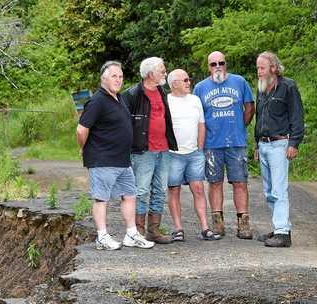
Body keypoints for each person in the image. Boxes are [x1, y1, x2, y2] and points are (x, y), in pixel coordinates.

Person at [77, 61, 154, 250]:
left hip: (122, 159)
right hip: (103, 158)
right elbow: (81, 130)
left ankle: (131, 234)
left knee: (129, 195)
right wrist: (84, 149)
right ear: (104, 78)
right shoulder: (97, 101)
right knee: (101, 198)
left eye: (120, 77)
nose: (118, 80)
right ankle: (102, 237)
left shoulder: (118, 98)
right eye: (114, 76)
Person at [193, 51, 255, 239]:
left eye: (221, 62)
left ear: (226, 64)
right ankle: (217, 222)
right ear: (208, 67)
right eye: (213, 64)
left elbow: (250, 107)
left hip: (236, 142)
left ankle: (243, 223)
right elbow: (197, 116)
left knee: (240, 182)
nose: (218, 66)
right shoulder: (200, 88)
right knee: (215, 183)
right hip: (212, 144)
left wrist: (239, 126)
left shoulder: (239, 82)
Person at [121, 57, 177, 245]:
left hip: (163, 149)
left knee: (160, 190)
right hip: (143, 150)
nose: (165, 73)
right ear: (150, 74)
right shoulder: (133, 94)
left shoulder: (161, 90)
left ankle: (153, 231)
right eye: (162, 70)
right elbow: (124, 124)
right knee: (141, 190)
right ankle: (137, 231)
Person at [255, 51, 304, 248]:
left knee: (279, 190)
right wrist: (256, 144)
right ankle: (279, 228)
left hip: (280, 144)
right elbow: (259, 119)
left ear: (273, 68)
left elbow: (297, 117)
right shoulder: (261, 88)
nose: (258, 71)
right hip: (264, 145)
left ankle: (283, 233)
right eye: (257, 68)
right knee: (269, 191)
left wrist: (294, 143)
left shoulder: (288, 86)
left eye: (262, 68)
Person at [165, 69, 221, 241]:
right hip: (173, 153)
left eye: (189, 79)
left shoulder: (195, 100)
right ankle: (178, 229)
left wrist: (200, 148)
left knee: (198, 188)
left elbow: (201, 125)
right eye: (185, 80)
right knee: (174, 189)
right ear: (174, 83)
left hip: (194, 153)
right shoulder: (166, 100)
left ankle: (205, 228)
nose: (189, 82)